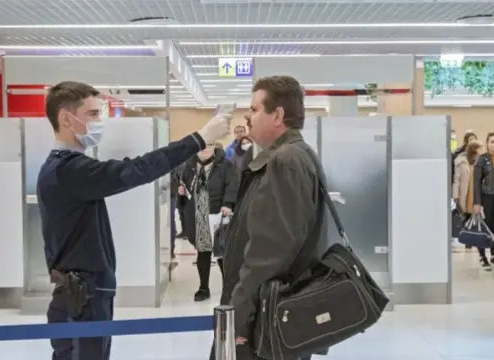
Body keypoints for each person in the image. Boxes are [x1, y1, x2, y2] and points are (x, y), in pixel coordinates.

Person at [36, 80, 231, 360]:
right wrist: (199, 138)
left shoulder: (62, 168)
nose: (98, 121)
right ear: (66, 118)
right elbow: (135, 169)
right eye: (91, 114)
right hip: (80, 299)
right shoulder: (69, 170)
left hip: (84, 295)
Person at [210, 76, 324, 360]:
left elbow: (270, 250)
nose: (248, 117)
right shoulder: (293, 155)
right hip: (269, 313)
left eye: (255, 109)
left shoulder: (286, 161)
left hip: (264, 319)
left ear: (278, 115)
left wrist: (238, 313)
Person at [178, 143, 239, 302]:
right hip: (199, 214)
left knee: (222, 253)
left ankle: (229, 288)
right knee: (203, 252)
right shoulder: (190, 165)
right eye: (203, 145)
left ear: (214, 148)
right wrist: (181, 190)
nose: (206, 148)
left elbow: (233, 185)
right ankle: (203, 288)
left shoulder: (226, 165)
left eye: (210, 145)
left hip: (219, 214)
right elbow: (182, 182)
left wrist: (228, 203)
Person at [473, 133, 494, 269]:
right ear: (487, 144)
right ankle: (482, 256)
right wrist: (477, 202)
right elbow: (476, 183)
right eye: (492, 142)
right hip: (487, 197)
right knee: (484, 228)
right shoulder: (482, 160)